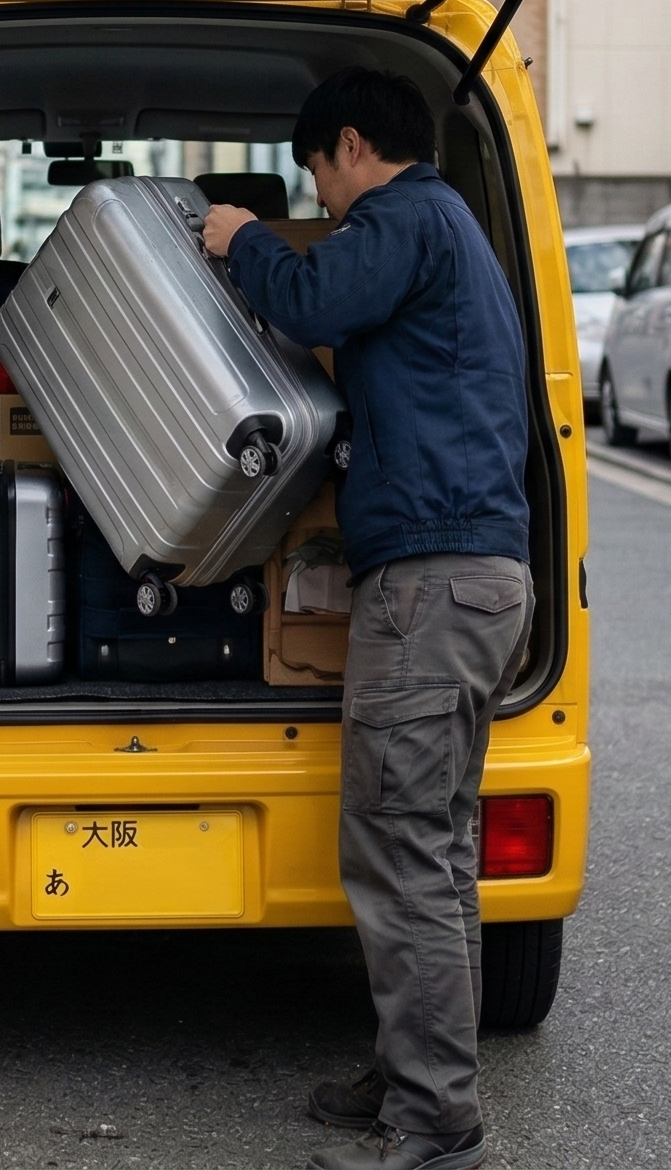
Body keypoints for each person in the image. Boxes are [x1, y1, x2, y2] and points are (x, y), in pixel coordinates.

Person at [200, 66, 536, 1170]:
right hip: (469, 578)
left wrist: (242, 237)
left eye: (316, 178)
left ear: (351, 144)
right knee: (430, 853)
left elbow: (306, 301)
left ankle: (434, 1123)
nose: (323, 203)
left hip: (435, 586)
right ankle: (414, 1076)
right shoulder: (449, 227)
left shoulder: (405, 218)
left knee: (400, 853)